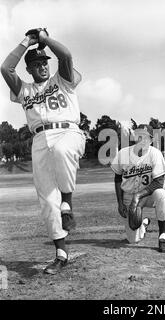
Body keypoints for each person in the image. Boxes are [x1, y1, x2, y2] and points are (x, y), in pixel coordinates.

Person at [1, 29, 86, 274]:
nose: (42, 66)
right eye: (36, 64)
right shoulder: (23, 90)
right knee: (48, 201)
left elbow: (66, 56)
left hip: (68, 132)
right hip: (39, 139)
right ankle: (61, 253)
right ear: (29, 69)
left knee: (61, 151)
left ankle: (67, 205)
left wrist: (45, 39)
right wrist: (26, 42)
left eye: (44, 62)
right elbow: (5, 69)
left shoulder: (62, 79)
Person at [111, 124, 165, 253]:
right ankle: (143, 224)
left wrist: (138, 196)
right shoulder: (123, 153)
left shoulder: (155, 153)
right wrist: (120, 203)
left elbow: (159, 182)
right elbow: (117, 179)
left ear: (150, 139)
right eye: (139, 136)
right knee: (133, 240)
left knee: (161, 194)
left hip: (148, 195)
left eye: (145, 137)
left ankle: (162, 237)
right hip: (128, 195)